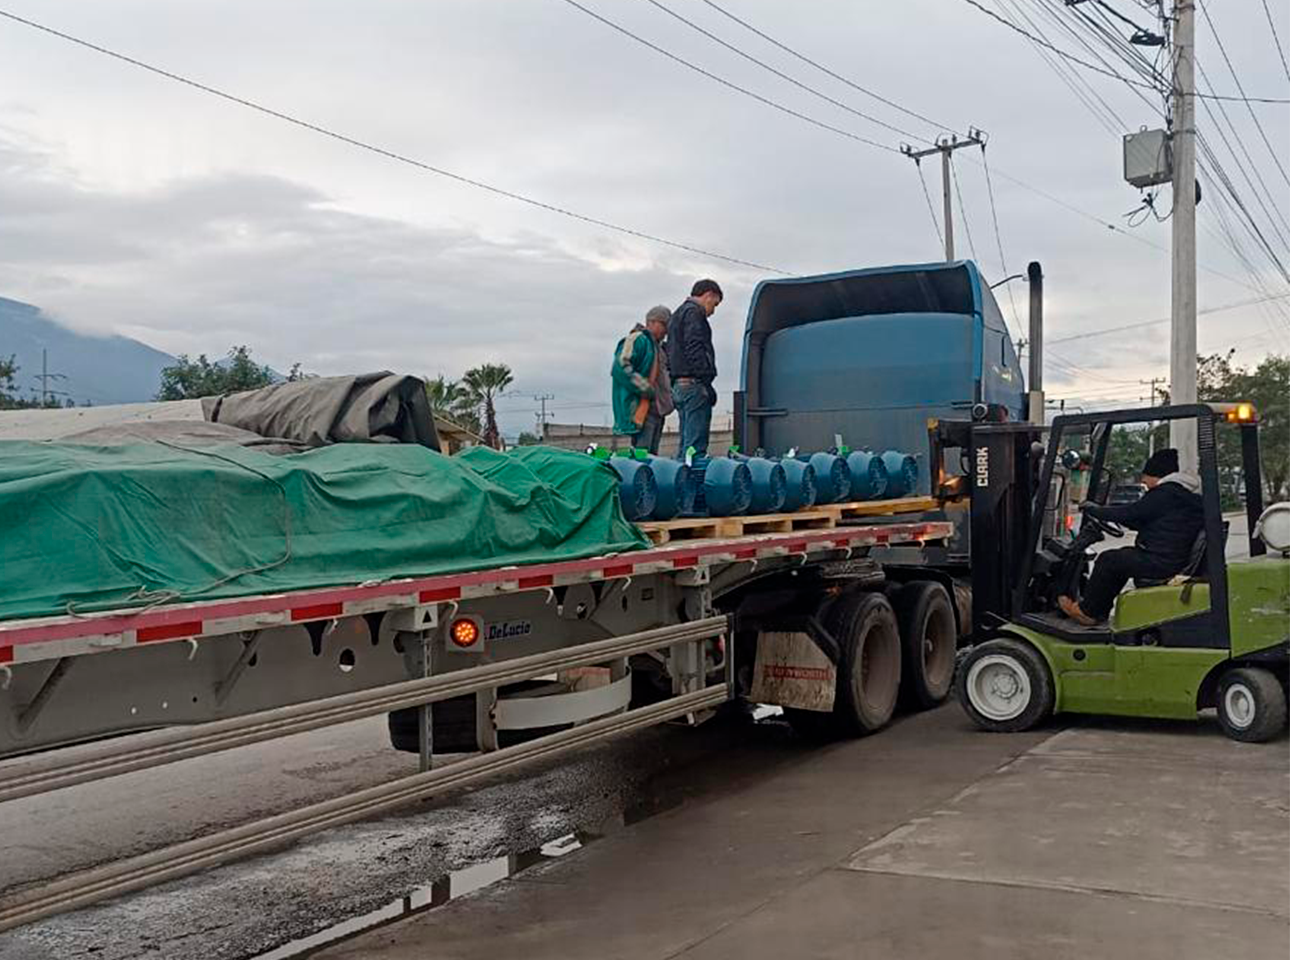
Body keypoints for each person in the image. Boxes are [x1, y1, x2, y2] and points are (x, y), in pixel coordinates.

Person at [1058, 448, 1204, 626]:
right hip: (1170, 557)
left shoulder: (1165, 494)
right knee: (1121, 560)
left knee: (1109, 560)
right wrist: (1121, 520)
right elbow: (1144, 518)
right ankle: (1098, 610)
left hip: (1161, 562)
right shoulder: (1181, 495)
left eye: (1146, 476)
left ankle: (1089, 612)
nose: (1143, 480)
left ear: (1157, 475)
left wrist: (1093, 509)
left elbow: (1130, 512)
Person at [667, 279, 722, 457]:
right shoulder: (694, 314)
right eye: (715, 304)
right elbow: (695, 347)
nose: (713, 311)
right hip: (694, 384)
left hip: (679, 385)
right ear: (708, 295)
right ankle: (693, 481)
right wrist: (706, 380)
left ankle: (681, 479)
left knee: (686, 443)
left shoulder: (677, 314)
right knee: (695, 447)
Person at [610, 306, 671, 451]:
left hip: (657, 409)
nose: (666, 331)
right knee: (643, 456)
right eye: (664, 325)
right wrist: (645, 388)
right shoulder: (639, 339)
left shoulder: (658, 347)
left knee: (651, 456)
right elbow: (621, 366)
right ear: (651, 322)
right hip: (643, 408)